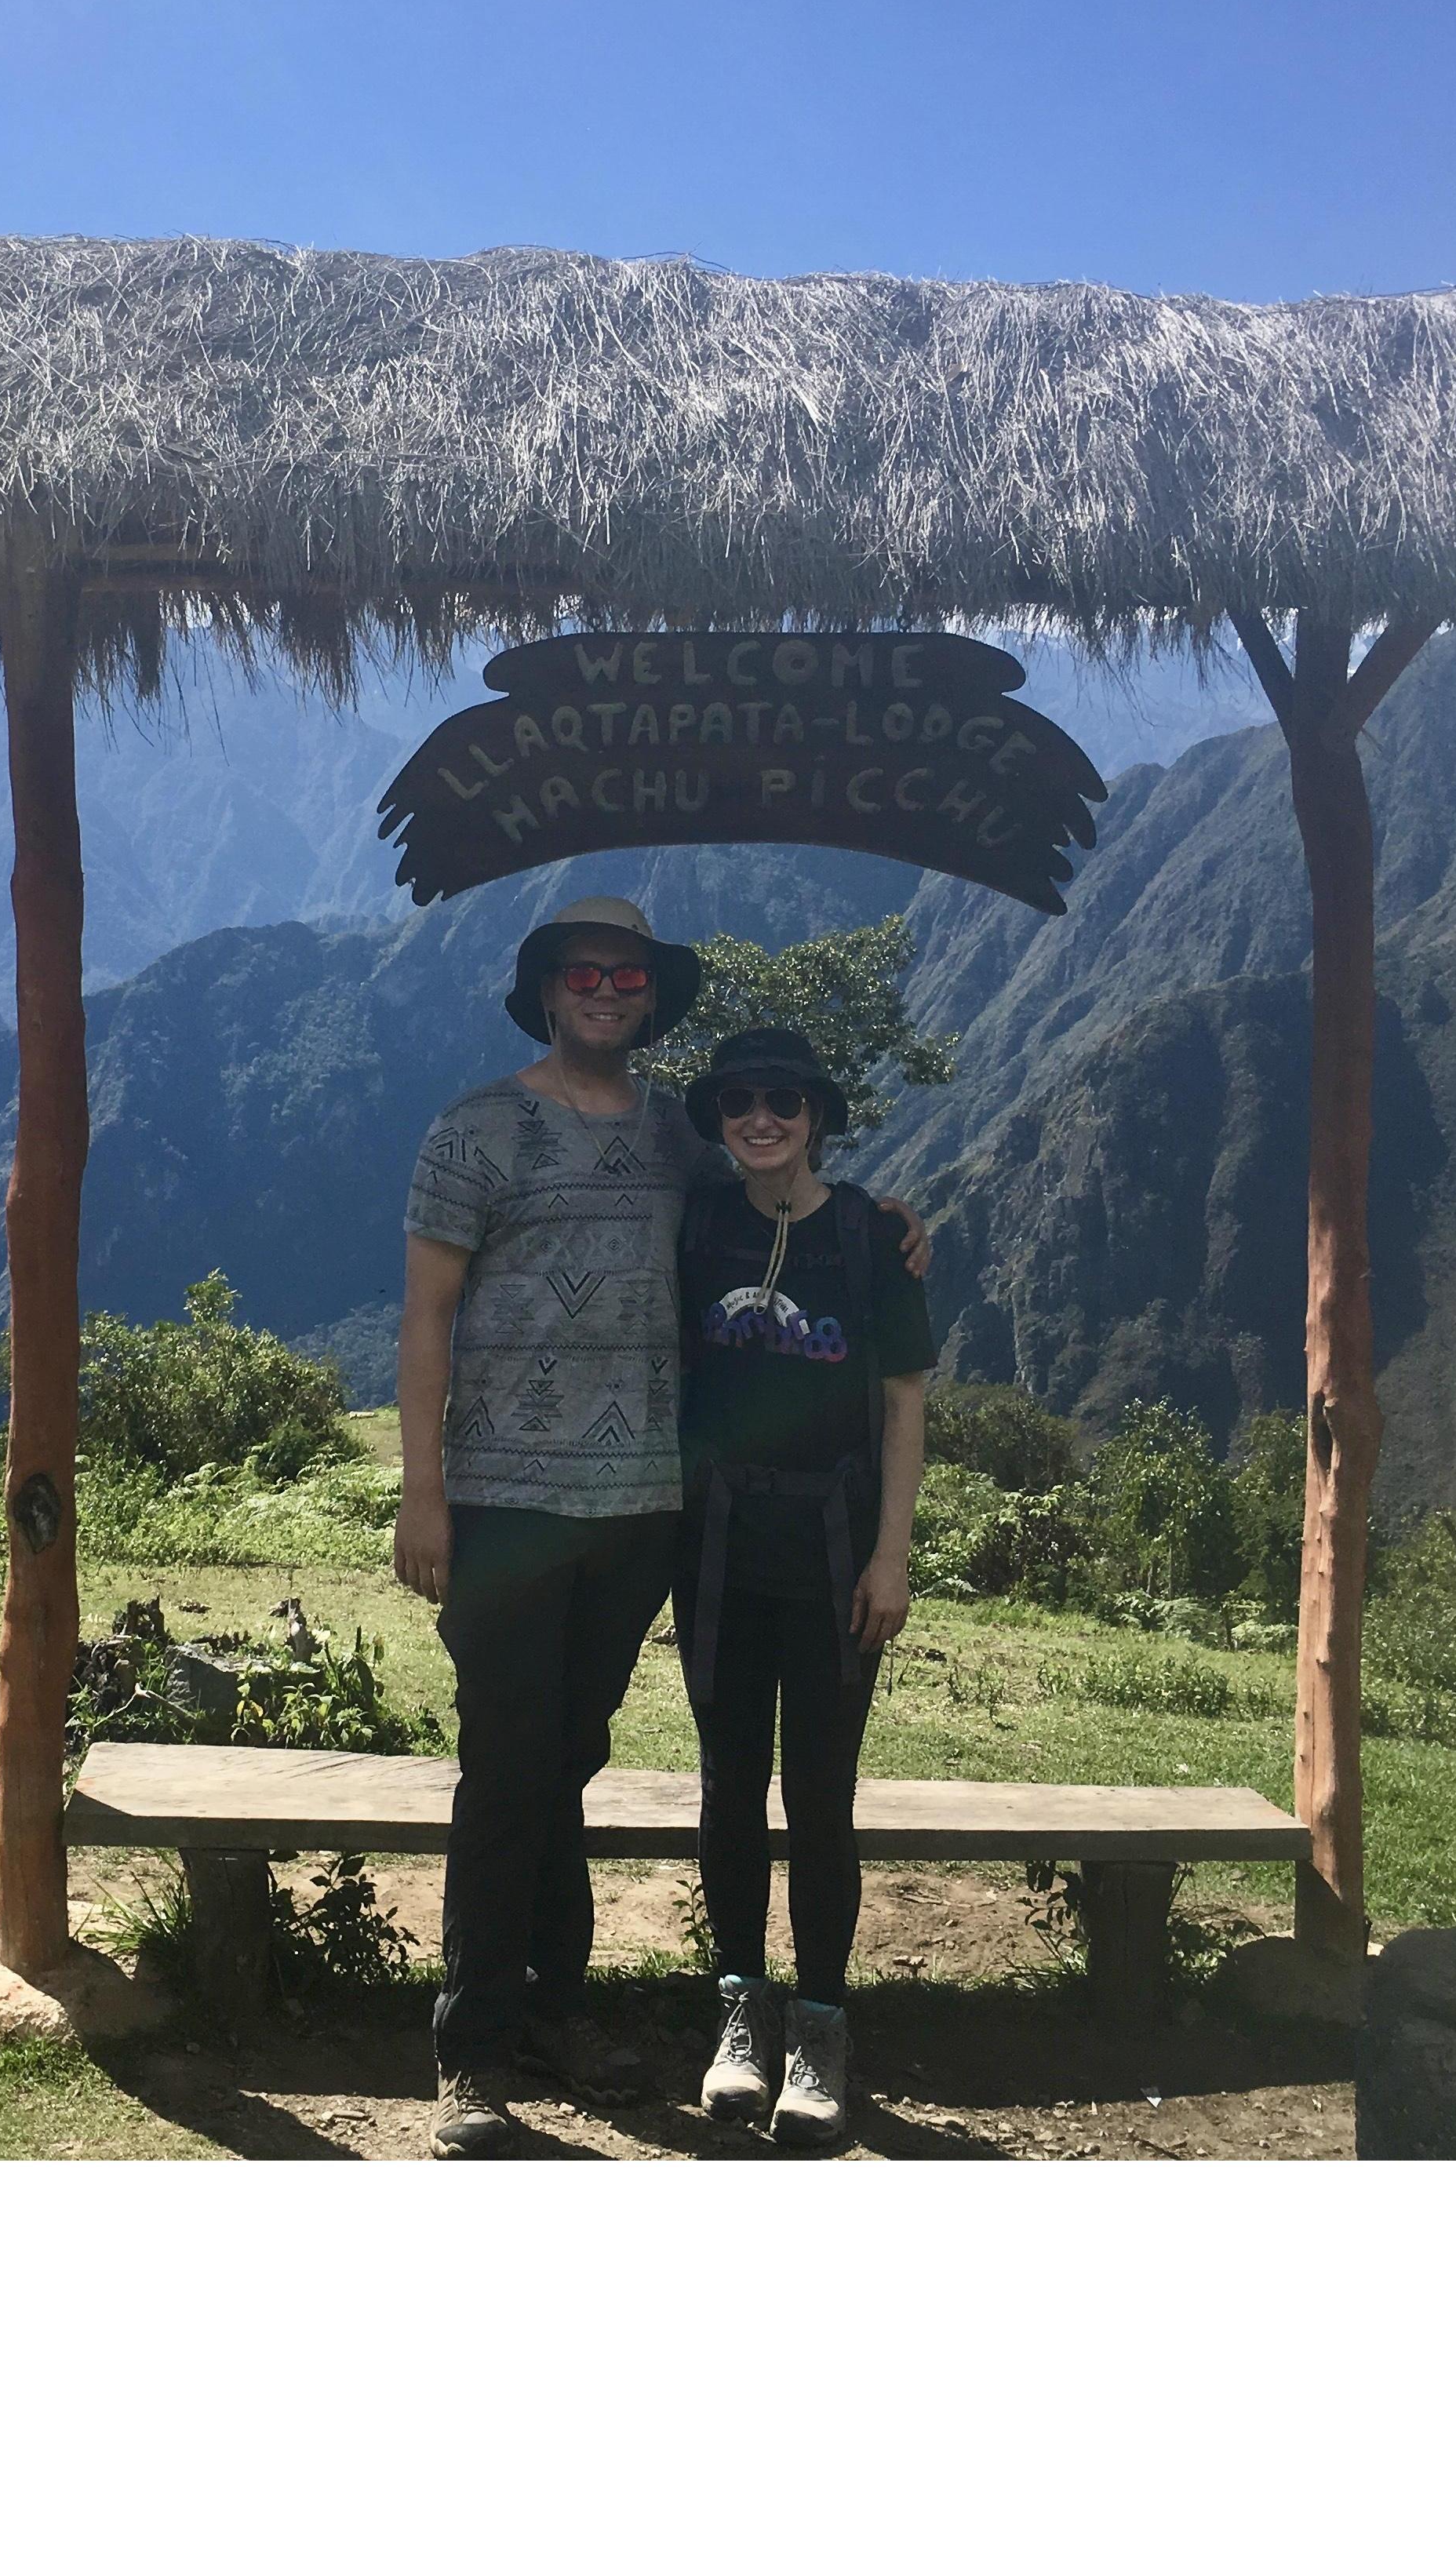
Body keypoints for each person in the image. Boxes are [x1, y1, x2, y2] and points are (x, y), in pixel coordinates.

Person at [396, 898, 924, 2160]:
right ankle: (472, 2052)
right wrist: (422, 1494)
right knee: (507, 1767)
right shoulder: (476, 1131)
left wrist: (895, 1219)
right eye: (582, 971)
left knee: (566, 1760)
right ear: (544, 990)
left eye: (626, 973)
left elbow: (780, 1198)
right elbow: (424, 1319)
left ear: (648, 997)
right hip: (506, 1507)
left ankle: (556, 2012)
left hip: (643, 1516)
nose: (605, 988)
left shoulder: (677, 1148)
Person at [672, 1022, 933, 2150]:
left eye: (783, 1100)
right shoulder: (699, 1223)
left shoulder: (874, 1241)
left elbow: (905, 1404)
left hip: (834, 1548)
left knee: (820, 1793)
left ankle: (820, 2024)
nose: (761, 1119)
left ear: (817, 1115)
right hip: (719, 1543)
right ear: (720, 1119)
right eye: (739, 1102)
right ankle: (742, 2011)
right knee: (731, 1784)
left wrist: (892, 1552)